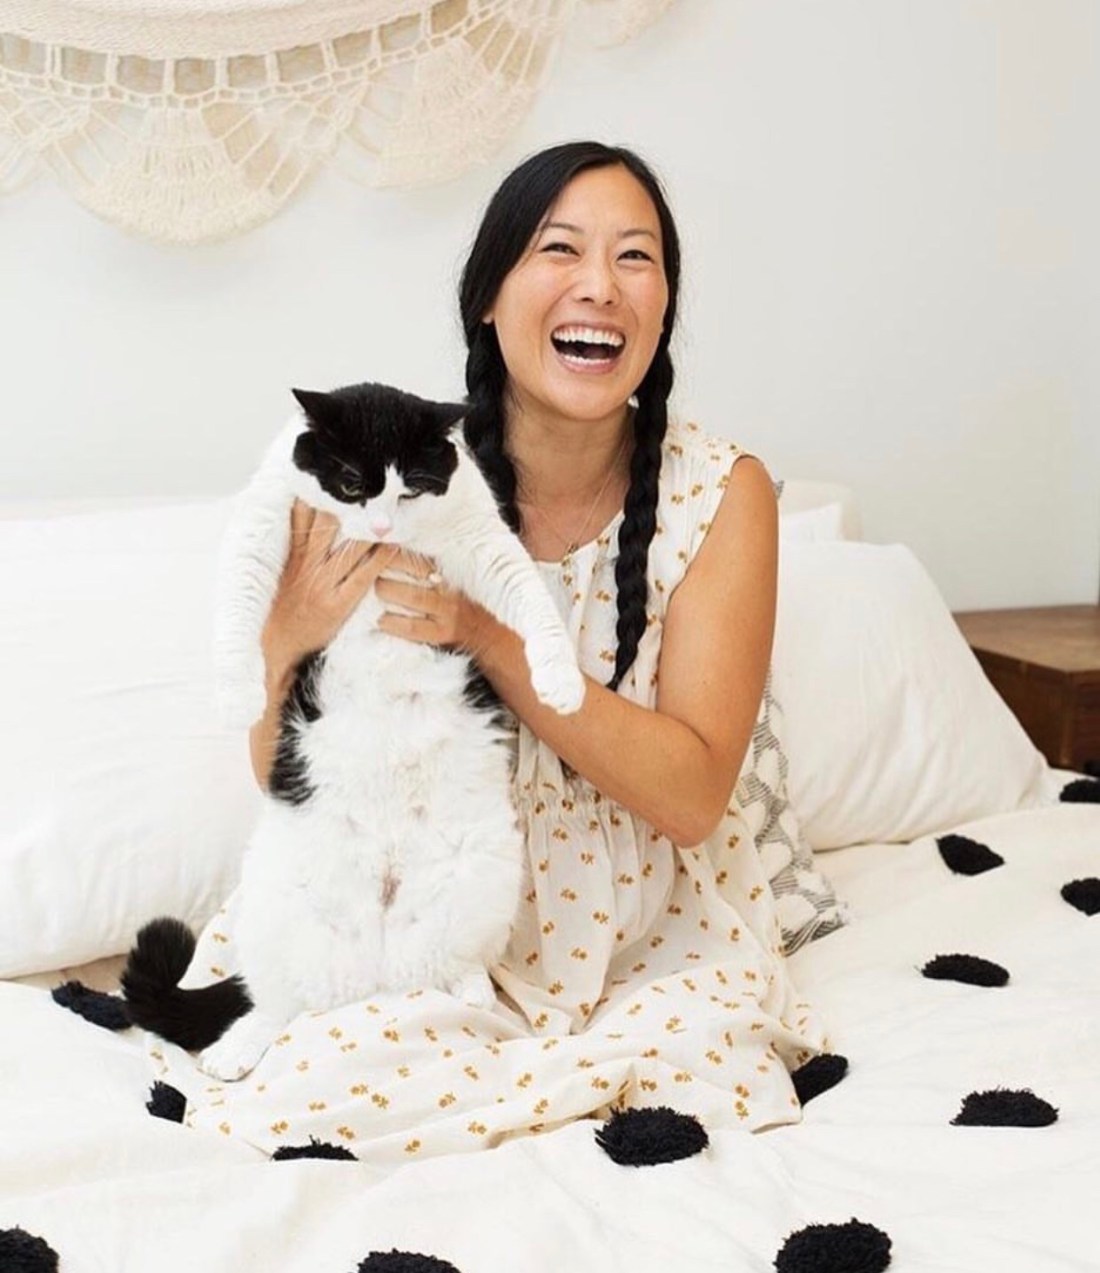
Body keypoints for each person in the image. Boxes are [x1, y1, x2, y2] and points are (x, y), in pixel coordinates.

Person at [170, 141, 829, 1163]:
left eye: (635, 257)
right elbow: (283, 777)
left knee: (703, 1084)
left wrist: (483, 631)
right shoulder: (391, 476)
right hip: (401, 903)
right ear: (488, 297)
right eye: (559, 249)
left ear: (664, 306)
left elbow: (693, 795)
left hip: (646, 939)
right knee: (318, 1088)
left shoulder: (720, 490)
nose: (599, 286)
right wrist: (287, 636)